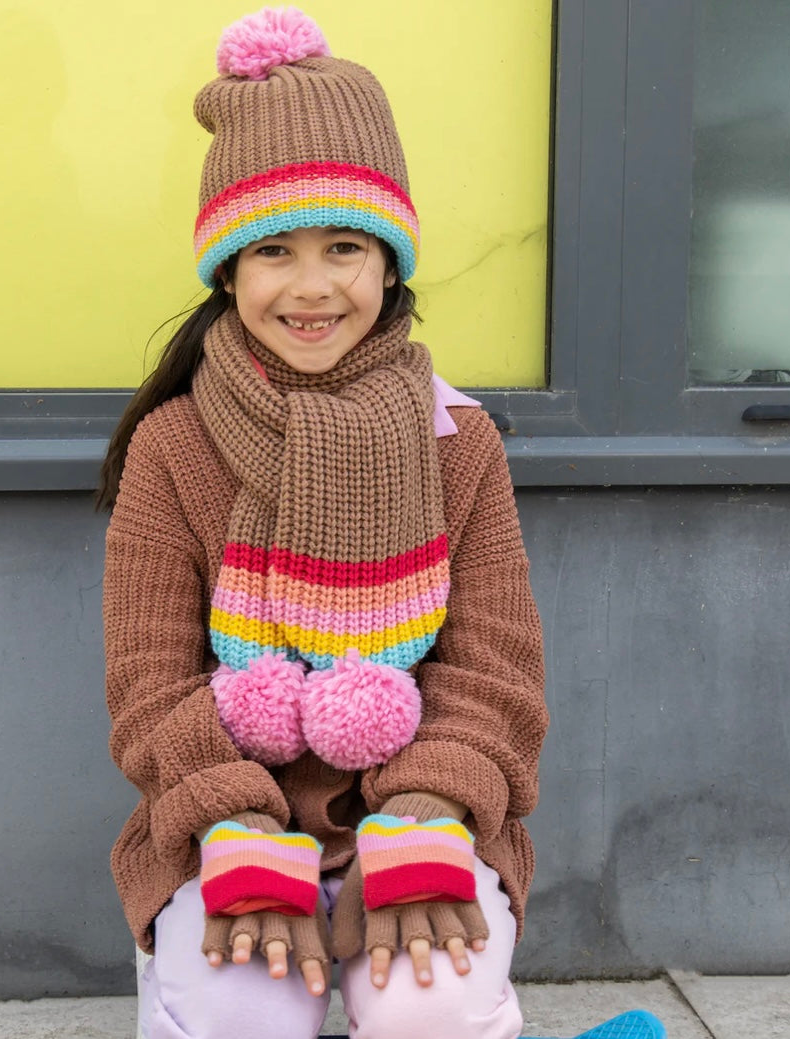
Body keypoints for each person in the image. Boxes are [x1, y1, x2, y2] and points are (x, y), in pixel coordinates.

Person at [98, 8, 547, 1039]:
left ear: (391, 264)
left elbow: (493, 671)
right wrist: (240, 831)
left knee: (428, 1005)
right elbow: (149, 683)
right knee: (238, 1006)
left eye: (345, 245)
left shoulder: (457, 442)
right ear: (227, 274)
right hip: (223, 808)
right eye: (271, 251)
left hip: (420, 807)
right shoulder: (174, 447)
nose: (311, 287)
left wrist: (428, 817)